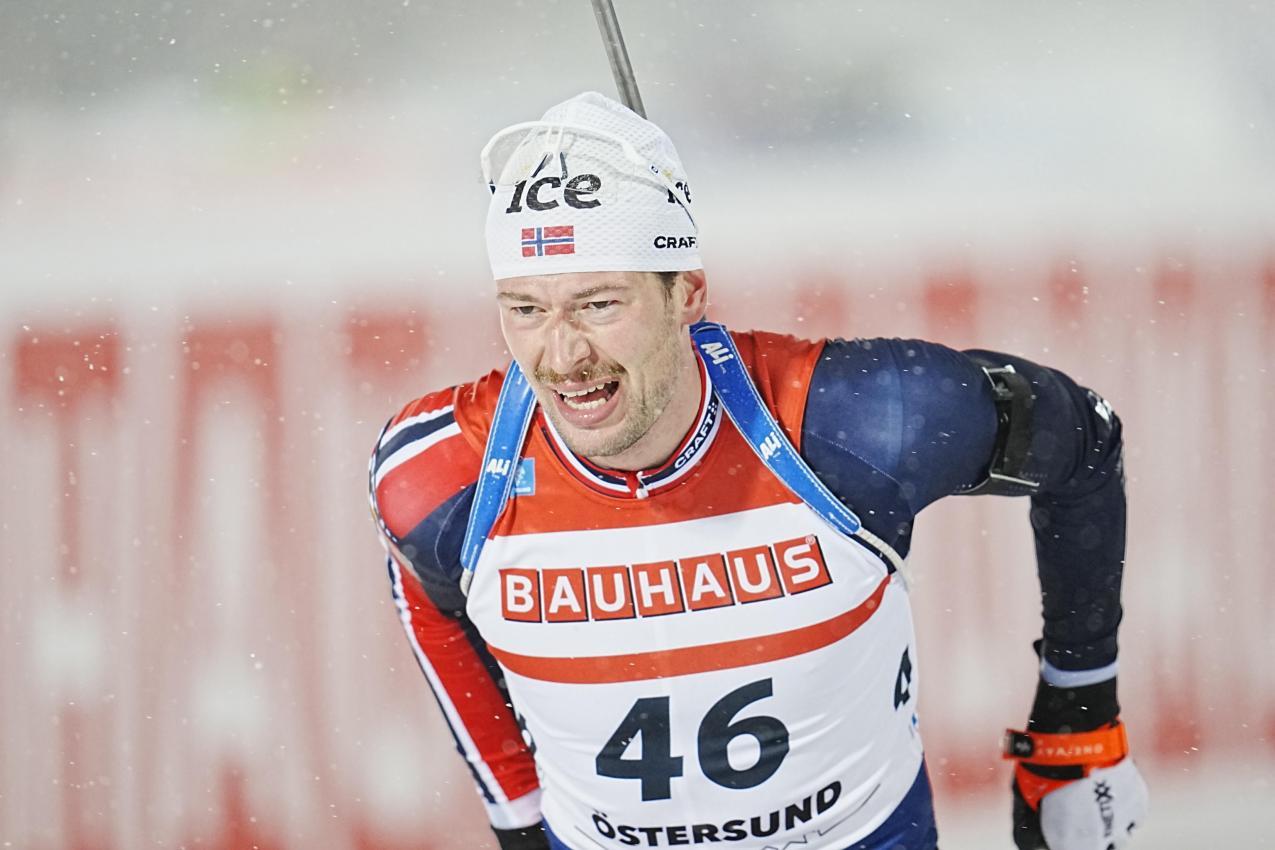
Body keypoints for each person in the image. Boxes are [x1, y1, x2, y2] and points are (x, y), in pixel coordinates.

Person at [368, 92, 1148, 850]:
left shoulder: (862, 420)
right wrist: (518, 816)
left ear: (687, 294)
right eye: (526, 310)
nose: (563, 357)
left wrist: (1077, 719)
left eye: (600, 304)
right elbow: (427, 596)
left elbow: (1085, 441)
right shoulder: (444, 470)